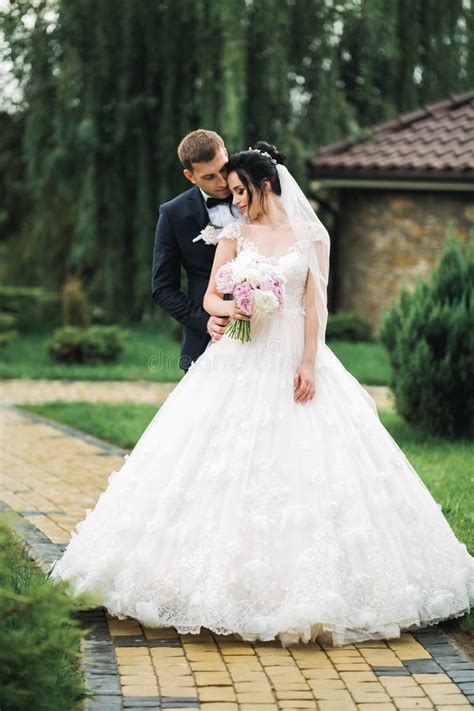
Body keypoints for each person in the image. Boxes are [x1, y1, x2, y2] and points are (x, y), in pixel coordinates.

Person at [48, 142, 474, 648]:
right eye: (229, 193)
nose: (236, 202)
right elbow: (209, 292)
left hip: (294, 352)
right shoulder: (234, 234)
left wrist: (309, 363)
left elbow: (316, 306)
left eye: (240, 192)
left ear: (264, 184)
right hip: (240, 357)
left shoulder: (311, 236)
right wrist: (232, 304)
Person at [151, 128, 243, 373]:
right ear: (190, 176)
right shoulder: (173, 214)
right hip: (207, 340)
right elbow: (163, 288)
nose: (222, 182)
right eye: (209, 177)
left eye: (224, 169)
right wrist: (205, 322)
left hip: (267, 334)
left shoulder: (258, 198)